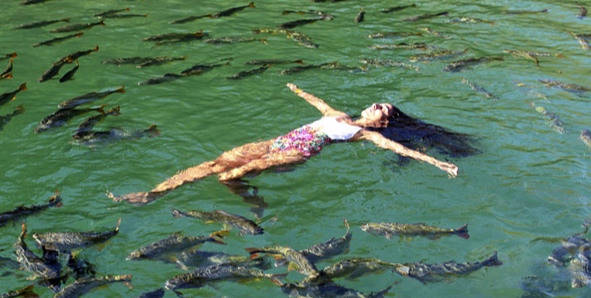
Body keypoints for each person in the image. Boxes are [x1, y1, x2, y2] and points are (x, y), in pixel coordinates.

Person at [108, 83, 459, 204]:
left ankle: (249, 197)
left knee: (229, 177)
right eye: (377, 101)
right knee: (216, 163)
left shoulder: (367, 134)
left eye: (382, 107)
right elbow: (318, 105)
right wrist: (297, 90)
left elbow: (402, 150)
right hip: (277, 140)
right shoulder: (340, 113)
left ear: (383, 120)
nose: (375, 104)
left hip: (298, 151)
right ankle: (154, 193)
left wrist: (439, 163)